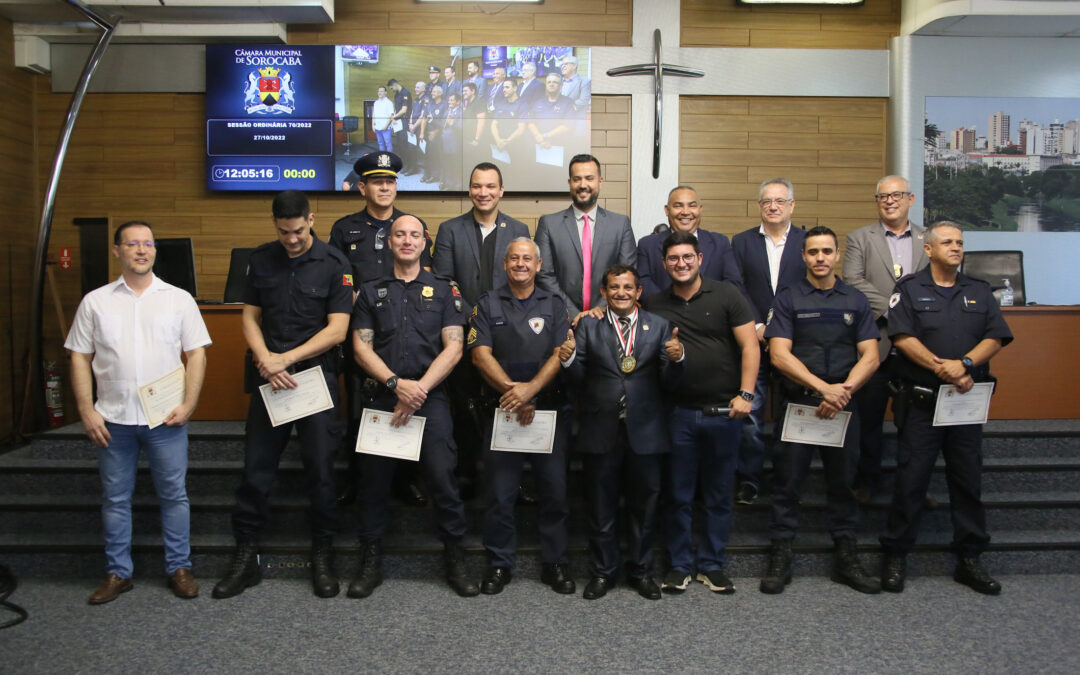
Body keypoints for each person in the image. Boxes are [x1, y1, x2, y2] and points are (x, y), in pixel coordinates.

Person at [214, 191, 352, 600]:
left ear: (312, 218)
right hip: (268, 380)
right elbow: (250, 315)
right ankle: (245, 556)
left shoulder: (334, 263)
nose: (291, 239)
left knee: (322, 473)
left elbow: (337, 329)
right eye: (282, 231)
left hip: (313, 379)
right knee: (256, 470)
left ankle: (323, 556)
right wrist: (265, 359)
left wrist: (284, 359)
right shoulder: (260, 259)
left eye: (297, 230)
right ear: (274, 223)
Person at [66, 220, 211, 605]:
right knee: (115, 498)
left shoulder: (178, 299)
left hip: (166, 418)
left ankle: (179, 567)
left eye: (148, 244)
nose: (142, 250)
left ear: (155, 250)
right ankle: (118, 573)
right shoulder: (95, 302)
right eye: (132, 244)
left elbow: (196, 353)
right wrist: (86, 410)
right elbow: (79, 358)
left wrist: (190, 404)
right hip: (112, 420)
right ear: (118, 251)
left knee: (174, 495)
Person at [879, 221, 1013, 595]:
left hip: (965, 402)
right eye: (947, 242)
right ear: (928, 249)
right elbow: (902, 337)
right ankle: (895, 554)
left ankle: (969, 557)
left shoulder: (979, 291)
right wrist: (944, 367)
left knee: (967, 480)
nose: (955, 248)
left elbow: (996, 335)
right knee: (911, 480)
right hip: (923, 399)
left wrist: (966, 364)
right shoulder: (909, 289)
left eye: (959, 242)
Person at [349, 214, 479, 599]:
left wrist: (418, 389)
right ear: (389, 242)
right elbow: (360, 346)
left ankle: (455, 555)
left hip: (430, 396)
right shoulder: (371, 291)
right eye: (399, 234)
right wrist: (395, 384)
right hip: (383, 397)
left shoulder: (444, 289)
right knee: (373, 483)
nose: (407, 240)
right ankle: (369, 558)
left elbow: (454, 345)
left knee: (442, 478)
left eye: (414, 235)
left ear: (426, 243)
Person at [759, 226, 882, 595]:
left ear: (837, 254)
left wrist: (841, 392)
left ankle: (847, 558)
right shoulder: (788, 298)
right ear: (804, 256)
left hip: (842, 407)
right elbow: (779, 354)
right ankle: (780, 558)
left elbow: (871, 356)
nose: (820, 258)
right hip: (799, 405)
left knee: (843, 485)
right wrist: (822, 388)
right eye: (813, 252)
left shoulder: (856, 300)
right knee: (787, 485)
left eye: (827, 251)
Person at [643, 231, 758, 595]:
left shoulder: (726, 294)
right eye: (674, 259)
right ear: (664, 264)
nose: (681, 264)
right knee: (677, 495)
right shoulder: (655, 304)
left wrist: (746, 393)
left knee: (719, 494)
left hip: (725, 413)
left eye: (687, 257)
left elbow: (750, 346)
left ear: (700, 259)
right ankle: (679, 566)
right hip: (677, 415)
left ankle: (711, 565)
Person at [562, 264, 683, 600]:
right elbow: (578, 379)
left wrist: (677, 358)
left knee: (644, 508)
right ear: (604, 291)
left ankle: (641, 572)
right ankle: (603, 573)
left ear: (638, 292)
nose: (621, 293)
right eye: (614, 287)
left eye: (628, 287)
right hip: (600, 429)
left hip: (646, 430)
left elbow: (670, 383)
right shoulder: (588, 325)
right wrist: (568, 360)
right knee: (601, 508)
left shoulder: (659, 327)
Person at [469, 238, 574, 595]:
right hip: (503, 412)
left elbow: (561, 352)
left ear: (538, 264)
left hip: (547, 412)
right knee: (500, 495)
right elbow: (480, 355)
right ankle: (499, 564)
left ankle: (555, 562)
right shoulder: (487, 303)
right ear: (504, 264)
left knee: (555, 492)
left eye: (527, 258)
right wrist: (514, 393)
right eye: (514, 258)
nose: (520, 264)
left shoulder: (555, 304)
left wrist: (531, 391)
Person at [329, 151, 432, 508]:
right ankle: (359, 480)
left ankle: (406, 481)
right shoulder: (345, 229)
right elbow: (337, 280)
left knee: (406, 406)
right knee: (360, 410)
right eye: (376, 182)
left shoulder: (411, 227)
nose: (384, 187)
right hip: (362, 333)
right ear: (362, 187)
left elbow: (426, 278)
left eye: (389, 181)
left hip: (403, 333)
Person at [434, 163, 531, 500]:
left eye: (490, 186)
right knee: (464, 406)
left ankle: (509, 479)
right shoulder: (450, 229)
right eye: (477, 186)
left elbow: (523, 281)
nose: (483, 192)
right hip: (463, 334)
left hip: (508, 336)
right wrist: (474, 316)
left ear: (501, 190)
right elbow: (445, 282)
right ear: (470, 190)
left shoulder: (518, 229)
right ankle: (469, 474)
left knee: (504, 405)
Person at [842, 176, 928, 503]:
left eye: (896, 195)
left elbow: (934, 281)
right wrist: (895, 312)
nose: (890, 201)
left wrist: (910, 316)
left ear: (910, 198)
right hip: (874, 342)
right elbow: (853, 281)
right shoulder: (859, 238)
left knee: (916, 425)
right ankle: (868, 482)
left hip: (918, 344)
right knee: (869, 421)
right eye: (883, 196)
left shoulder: (928, 238)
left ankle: (913, 490)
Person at [731, 178, 807, 506]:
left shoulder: (808, 241)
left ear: (792, 205)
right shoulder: (742, 242)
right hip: (755, 341)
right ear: (759, 206)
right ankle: (749, 479)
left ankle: (786, 479)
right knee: (751, 415)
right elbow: (736, 287)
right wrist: (758, 326)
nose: (773, 206)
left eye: (780, 201)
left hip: (796, 343)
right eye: (766, 201)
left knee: (792, 411)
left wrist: (784, 330)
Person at [535, 154, 637, 324]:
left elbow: (628, 272)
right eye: (577, 179)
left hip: (608, 319)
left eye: (589, 178)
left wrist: (599, 310)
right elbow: (544, 276)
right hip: (562, 321)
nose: (583, 185)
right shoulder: (548, 224)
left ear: (600, 181)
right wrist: (573, 313)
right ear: (569, 183)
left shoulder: (620, 224)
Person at [636, 185, 744, 297]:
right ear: (667, 210)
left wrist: (706, 306)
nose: (685, 212)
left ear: (700, 209)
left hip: (712, 312)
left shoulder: (720, 242)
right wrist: (669, 307)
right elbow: (643, 283)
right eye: (678, 206)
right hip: (663, 313)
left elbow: (733, 283)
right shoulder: (647, 245)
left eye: (692, 206)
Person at [423, 85, 448, 185]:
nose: (432, 93)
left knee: (438, 156)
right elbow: (425, 118)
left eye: (434, 92)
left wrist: (435, 132)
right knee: (429, 155)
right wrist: (422, 133)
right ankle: (429, 174)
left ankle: (437, 176)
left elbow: (444, 122)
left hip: (439, 135)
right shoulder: (430, 104)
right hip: (429, 134)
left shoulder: (445, 104)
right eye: (432, 91)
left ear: (440, 93)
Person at [386, 79, 412, 165]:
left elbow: (404, 110)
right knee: (399, 144)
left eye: (391, 88)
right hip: (398, 122)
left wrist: (394, 117)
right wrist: (394, 117)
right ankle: (403, 164)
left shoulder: (405, 93)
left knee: (404, 144)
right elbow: (396, 108)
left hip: (404, 121)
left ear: (395, 84)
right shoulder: (396, 95)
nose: (391, 90)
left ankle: (408, 165)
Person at [372, 86, 395, 152]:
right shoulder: (376, 103)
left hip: (386, 129)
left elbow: (391, 115)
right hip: (377, 128)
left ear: (385, 93)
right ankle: (383, 159)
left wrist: (386, 126)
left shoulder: (389, 103)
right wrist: (373, 125)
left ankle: (390, 160)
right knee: (380, 143)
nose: (379, 92)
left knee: (388, 144)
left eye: (381, 91)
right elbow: (374, 114)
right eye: (379, 91)